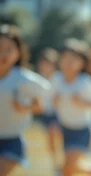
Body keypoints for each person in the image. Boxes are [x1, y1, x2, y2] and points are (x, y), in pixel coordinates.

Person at [0, 25, 50, 175]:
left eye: (9, 48)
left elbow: (40, 105)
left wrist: (24, 108)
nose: (3, 53)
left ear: (18, 52)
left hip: (12, 140)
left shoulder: (25, 78)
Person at [53, 39, 91, 176]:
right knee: (68, 168)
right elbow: (49, 103)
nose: (69, 62)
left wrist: (81, 102)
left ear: (82, 63)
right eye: (65, 58)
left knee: (67, 166)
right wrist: (55, 101)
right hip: (65, 127)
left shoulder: (84, 81)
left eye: (74, 59)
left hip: (82, 129)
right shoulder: (56, 79)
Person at [36, 47, 61, 169]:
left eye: (49, 64)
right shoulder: (38, 79)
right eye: (44, 64)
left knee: (55, 135)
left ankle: (61, 161)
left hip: (58, 114)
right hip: (45, 113)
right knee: (51, 139)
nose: (45, 67)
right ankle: (56, 162)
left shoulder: (58, 78)